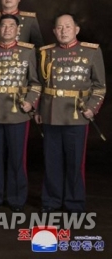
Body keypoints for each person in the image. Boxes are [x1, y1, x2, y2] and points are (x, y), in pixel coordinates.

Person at [36, 13, 105, 214]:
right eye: (59, 27)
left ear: (76, 29)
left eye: (68, 26)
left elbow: (99, 87)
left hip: (76, 114)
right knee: (51, 161)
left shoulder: (91, 52)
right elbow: (40, 85)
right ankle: (51, 201)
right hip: (50, 114)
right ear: (54, 31)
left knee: (75, 163)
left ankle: (74, 203)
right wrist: (39, 109)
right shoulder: (46, 53)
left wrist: (92, 107)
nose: (63, 31)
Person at [0, 15, 41, 212]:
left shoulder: (27, 51)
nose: (7, 29)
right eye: (4, 26)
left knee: (17, 158)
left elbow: (35, 82)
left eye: (11, 26)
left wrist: (30, 102)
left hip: (17, 112)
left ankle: (17, 198)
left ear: (18, 29)